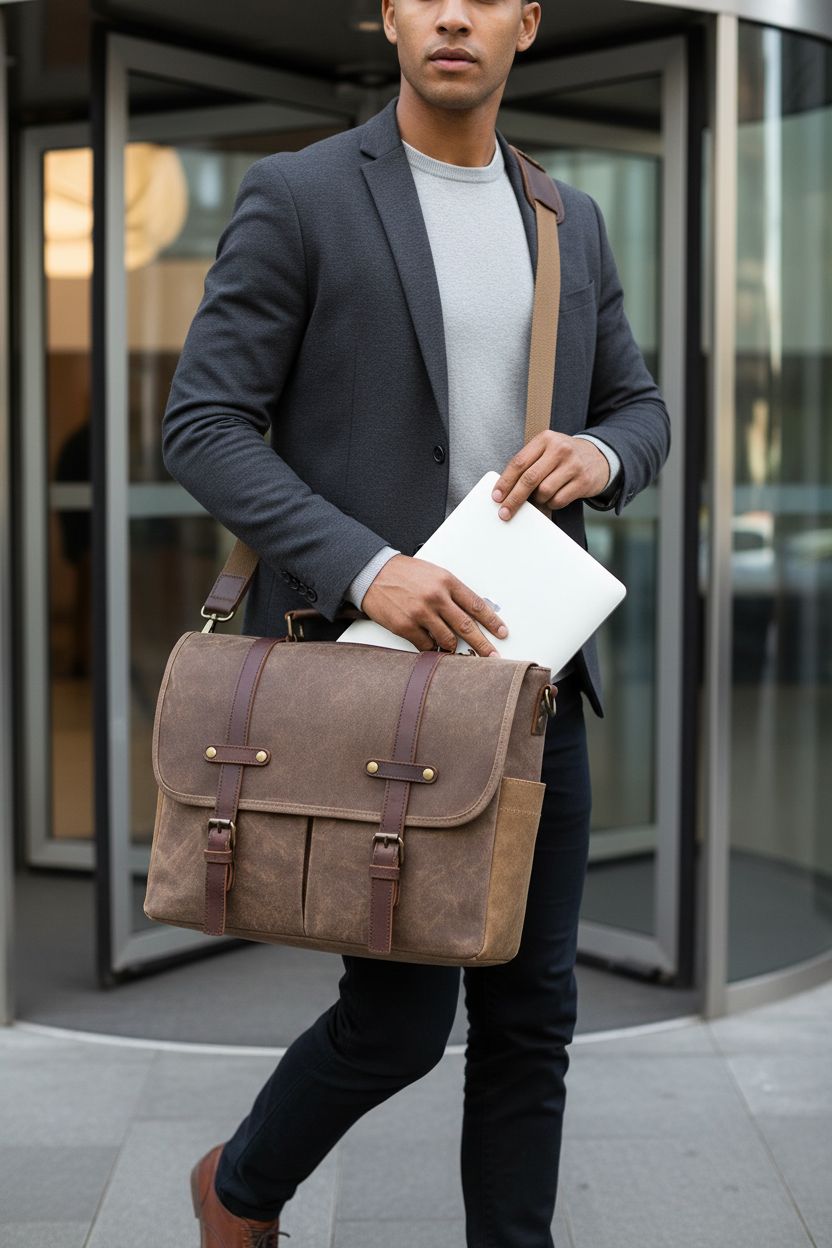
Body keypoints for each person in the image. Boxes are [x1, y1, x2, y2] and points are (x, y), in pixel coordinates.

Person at [164, 2, 670, 1244]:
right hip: (382, 686)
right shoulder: (300, 195)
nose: (455, 13)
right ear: (386, 17)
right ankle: (238, 1189)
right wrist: (365, 566)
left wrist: (600, 457)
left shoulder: (567, 218)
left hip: (533, 691)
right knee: (395, 1026)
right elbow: (202, 425)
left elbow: (642, 407)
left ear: (527, 25)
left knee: (530, 1025)